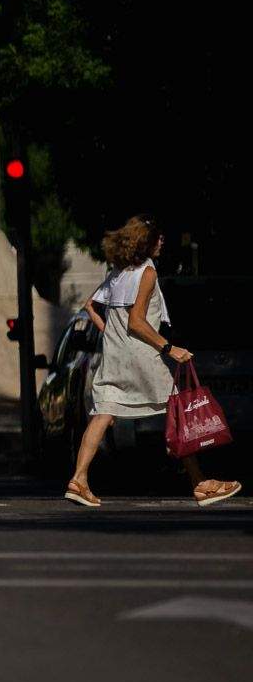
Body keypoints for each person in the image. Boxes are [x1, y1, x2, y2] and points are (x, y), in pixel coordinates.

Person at [66, 216, 240, 509]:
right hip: (143, 356)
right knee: (178, 413)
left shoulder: (118, 273)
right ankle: (201, 485)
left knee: (103, 413)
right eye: (157, 238)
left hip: (115, 357)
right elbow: (137, 322)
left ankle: (78, 479)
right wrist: (170, 349)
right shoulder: (147, 272)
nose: (162, 242)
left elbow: (90, 307)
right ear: (144, 242)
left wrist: (110, 334)